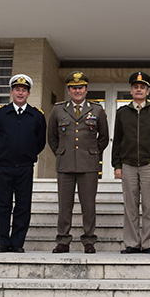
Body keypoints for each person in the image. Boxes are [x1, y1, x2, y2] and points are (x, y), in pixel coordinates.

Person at [47, 71, 109, 254]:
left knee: (88, 205)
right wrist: (61, 153)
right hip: (65, 164)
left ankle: (89, 240)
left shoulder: (97, 109)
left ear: (86, 89)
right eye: (74, 88)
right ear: (68, 90)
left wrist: (93, 153)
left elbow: (104, 137)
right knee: (64, 205)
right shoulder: (58, 109)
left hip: (88, 165)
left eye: (80, 87)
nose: (77, 91)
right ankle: (63, 240)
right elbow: (52, 137)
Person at [0, 74, 46, 253]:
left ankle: (17, 243)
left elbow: (40, 142)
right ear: (11, 92)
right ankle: (3, 242)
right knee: (3, 205)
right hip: (4, 167)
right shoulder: (0, 113)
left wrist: (29, 155)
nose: (20, 93)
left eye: (24, 90)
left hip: (25, 168)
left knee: (23, 206)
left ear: (28, 93)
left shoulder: (36, 116)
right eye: (17, 89)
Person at [113, 71, 150, 254]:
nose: (139, 90)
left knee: (149, 205)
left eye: (142, 87)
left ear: (147, 92)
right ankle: (131, 243)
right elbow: (118, 139)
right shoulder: (122, 113)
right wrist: (117, 165)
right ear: (131, 90)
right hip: (128, 164)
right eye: (136, 87)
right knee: (130, 206)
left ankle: (148, 244)